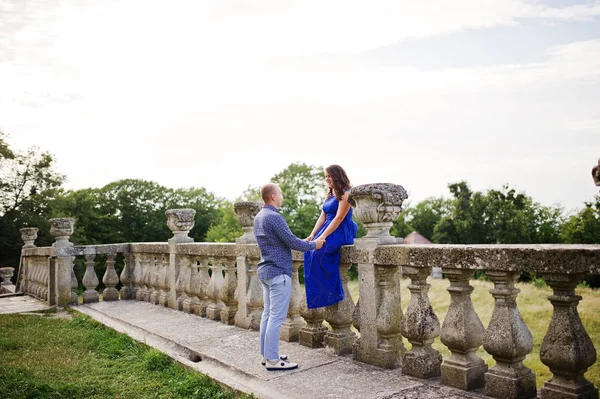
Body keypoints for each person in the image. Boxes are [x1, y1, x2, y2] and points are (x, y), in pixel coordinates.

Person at [254, 183, 325, 371]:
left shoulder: (259, 217)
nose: (282, 196)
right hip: (278, 273)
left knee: (268, 315)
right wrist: (314, 245)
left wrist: (305, 241)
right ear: (273, 197)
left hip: (265, 272)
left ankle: (266, 355)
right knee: (276, 318)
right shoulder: (274, 217)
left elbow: (284, 241)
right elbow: (292, 242)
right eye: (280, 193)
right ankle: (273, 360)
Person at [304, 165, 358, 309]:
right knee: (309, 252)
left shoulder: (346, 193)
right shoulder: (330, 193)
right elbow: (322, 217)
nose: (327, 179)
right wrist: (313, 234)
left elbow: (339, 218)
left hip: (341, 229)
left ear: (337, 176)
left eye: (329, 176)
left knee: (319, 252)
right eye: (325, 176)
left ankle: (333, 294)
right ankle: (321, 295)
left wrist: (322, 236)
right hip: (327, 227)